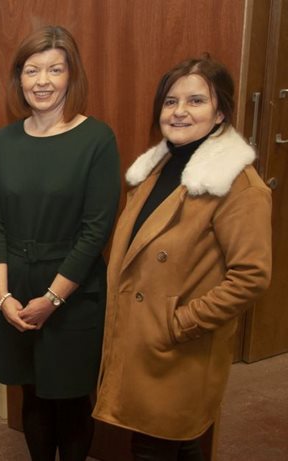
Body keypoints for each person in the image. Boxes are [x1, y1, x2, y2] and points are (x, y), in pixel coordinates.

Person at [92, 56, 272, 460]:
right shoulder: (157, 167)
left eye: (196, 101)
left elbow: (251, 277)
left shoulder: (237, 184)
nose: (179, 112)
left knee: (161, 443)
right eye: (171, 101)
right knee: (161, 441)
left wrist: (180, 322)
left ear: (220, 111)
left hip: (180, 344)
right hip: (141, 339)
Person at [0, 25, 121, 461]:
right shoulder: (4, 141)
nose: (42, 81)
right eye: (31, 70)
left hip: (72, 292)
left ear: (70, 76)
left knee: (71, 399)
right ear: (19, 79)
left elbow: (96, 229)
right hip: (16, 290)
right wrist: (3, 296)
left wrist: (52, 299)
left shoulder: (96, 139)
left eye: (54, 69)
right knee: (34, 396)